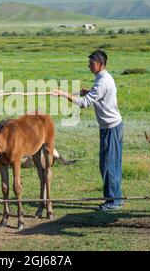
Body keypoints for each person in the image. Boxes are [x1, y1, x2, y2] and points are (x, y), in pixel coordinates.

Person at [52, 50, 124, 211]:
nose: (89, 66)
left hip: (111, 128)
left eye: (92, 63)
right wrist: (89, 92)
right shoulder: (101, 78)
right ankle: (116, 198)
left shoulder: (103, 81)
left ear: (101, 64)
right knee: (112, 164)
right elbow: (95, 97)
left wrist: (63, 94)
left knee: (108, 166)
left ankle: (113, 202)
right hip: (111, 126)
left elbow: (84, 103)